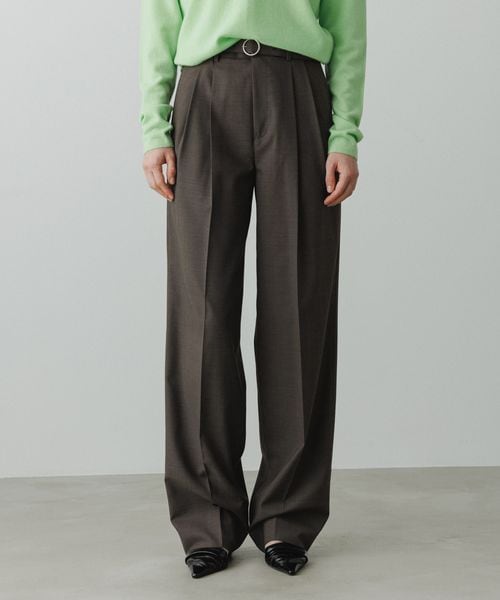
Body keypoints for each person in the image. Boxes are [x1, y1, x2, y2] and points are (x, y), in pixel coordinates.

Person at [139, 0, 366, 579]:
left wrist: (344, 134)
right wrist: (153, 125)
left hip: (297, 89)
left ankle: (287, 516)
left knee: (299, 307)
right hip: (203, 90)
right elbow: (161, 20)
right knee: (201, 315)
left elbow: (347, 29)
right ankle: (207, 519)